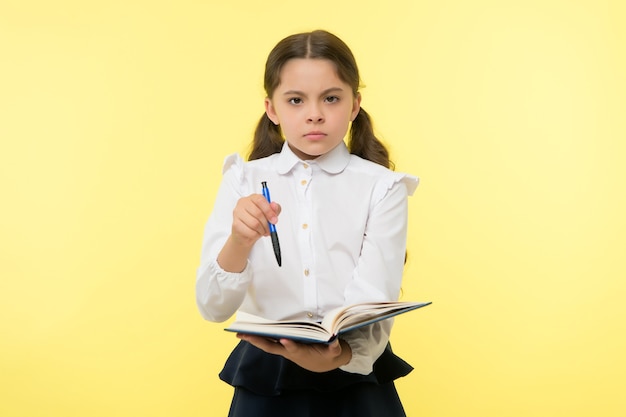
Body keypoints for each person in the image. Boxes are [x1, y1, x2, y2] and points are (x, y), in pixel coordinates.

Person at [195, 29, 419, 417]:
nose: (314, 113)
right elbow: (213, 307)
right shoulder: (242, 180)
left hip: (354, 371)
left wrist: (338, 357)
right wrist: (239, 239)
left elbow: (374, 296)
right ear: (272, 109)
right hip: (266, 376)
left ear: (354, 105)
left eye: (331, 98)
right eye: (296, 100)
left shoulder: (383, 187)